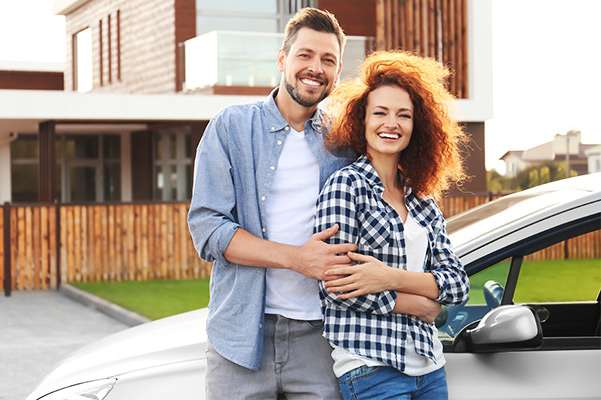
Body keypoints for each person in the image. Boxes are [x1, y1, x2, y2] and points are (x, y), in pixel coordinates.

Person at [187, 8, 358, 400]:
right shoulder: (230, 127)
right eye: (305, 55)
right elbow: (208, 229)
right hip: (242, 335)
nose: (315, 68)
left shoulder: (346, 141)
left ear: (338, 70)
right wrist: (296, 258)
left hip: (322, 339)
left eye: (327, 60)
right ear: (283, 59)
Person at [314, 50, 470, 399]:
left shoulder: (422, 199)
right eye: (380, 113)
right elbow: (335, 286)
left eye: (404, 115)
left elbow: (458, 285)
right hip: (370, 366)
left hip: (429, 367)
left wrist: (390, 278)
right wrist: (418, 302)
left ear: (418, 126)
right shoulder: (345, 187)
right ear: (362, 120)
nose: (391, 123)